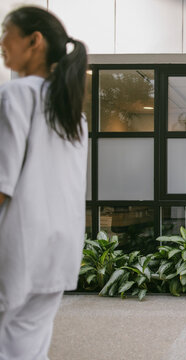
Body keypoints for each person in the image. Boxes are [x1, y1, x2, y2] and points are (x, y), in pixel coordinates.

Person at [0, 6, 88, 358]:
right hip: (58, 251)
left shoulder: (15, 96)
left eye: (6, 31)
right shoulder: (73, 116)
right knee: (28, 347)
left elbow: (2, 186)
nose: (1, 42)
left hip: (17, 247)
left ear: (34, 41)